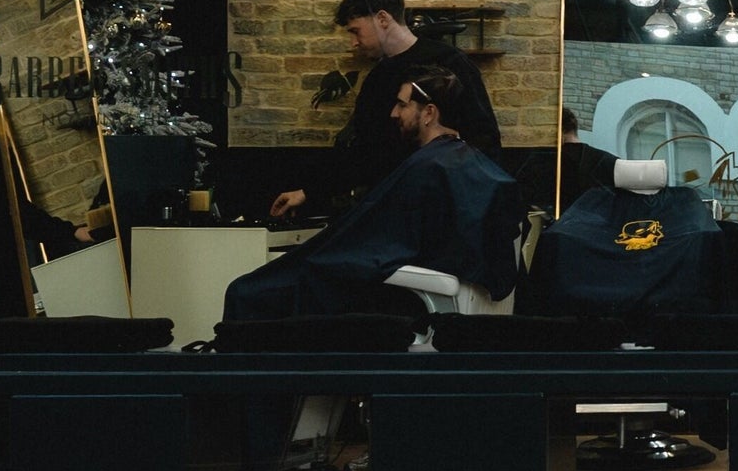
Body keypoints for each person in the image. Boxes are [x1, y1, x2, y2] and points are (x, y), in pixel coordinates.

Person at [223, 71, 520, 324]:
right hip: (413, 287)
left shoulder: (431, 167)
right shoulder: (461, 163)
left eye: (402, 104)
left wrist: (335, 252)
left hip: (396, 298)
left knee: (246, 292)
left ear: (429, 113)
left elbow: (379, 243)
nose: (394, 113)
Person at [271, 0, 501, 221]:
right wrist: (309, 192)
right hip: (393, 209)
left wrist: (476, 209)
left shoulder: (451, 62)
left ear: (382, 18)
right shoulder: (376, 79)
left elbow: (484, 138)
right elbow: (362, 153)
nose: (354, 42)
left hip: (447, 208)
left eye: (355, 31)